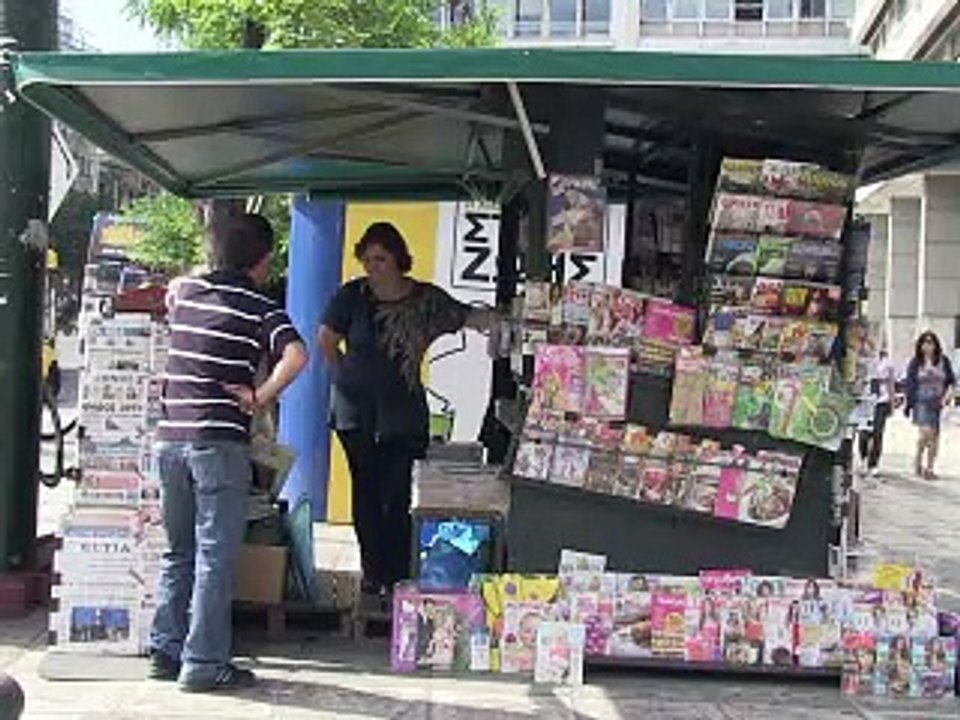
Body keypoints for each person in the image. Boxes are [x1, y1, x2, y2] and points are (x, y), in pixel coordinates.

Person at [148, 214, 308, 692]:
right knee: (215, 556)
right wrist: (260, 398)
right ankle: (203, 664)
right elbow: (297, 355)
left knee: (178, 552)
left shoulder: (187, 295)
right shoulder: (260, 307)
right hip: (218, 441)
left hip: (170, 440)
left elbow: (178, 284)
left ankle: (165, 649)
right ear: (263, 262)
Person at [318, 222, 496, 608]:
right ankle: (372, 572)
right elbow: (327, 339)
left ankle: (397, 574)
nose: (373, 267)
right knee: (365, 490)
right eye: (367, 259)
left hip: (404, 411)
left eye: (380, 259)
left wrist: (503, 320)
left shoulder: (425, 300)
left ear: (398, 258)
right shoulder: (352, 296)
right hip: (356, 410)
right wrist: (342, 375)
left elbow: (467, 317)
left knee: (398, 494)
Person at [904, 330, 955, 480]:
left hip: (938, 402)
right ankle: (918, 458)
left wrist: (948, 396)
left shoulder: (943, 360)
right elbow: (910, 383)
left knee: (934, 437)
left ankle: (930, 468)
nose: (927, 345)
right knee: (926, 433)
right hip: (921, 401)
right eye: (924, 342)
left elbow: (951, 380)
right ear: (920, 345)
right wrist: (909, 403)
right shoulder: (916, 362)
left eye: (930, 342)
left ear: (935, 344)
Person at [858, 348, 896, 478]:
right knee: (864, 433)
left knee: (878, 433)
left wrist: (892, 403)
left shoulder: (888, 363)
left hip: (881, 401)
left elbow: (891, 383)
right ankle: (863, 458)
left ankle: (873, 464)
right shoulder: (863, 358)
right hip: (865, 400)